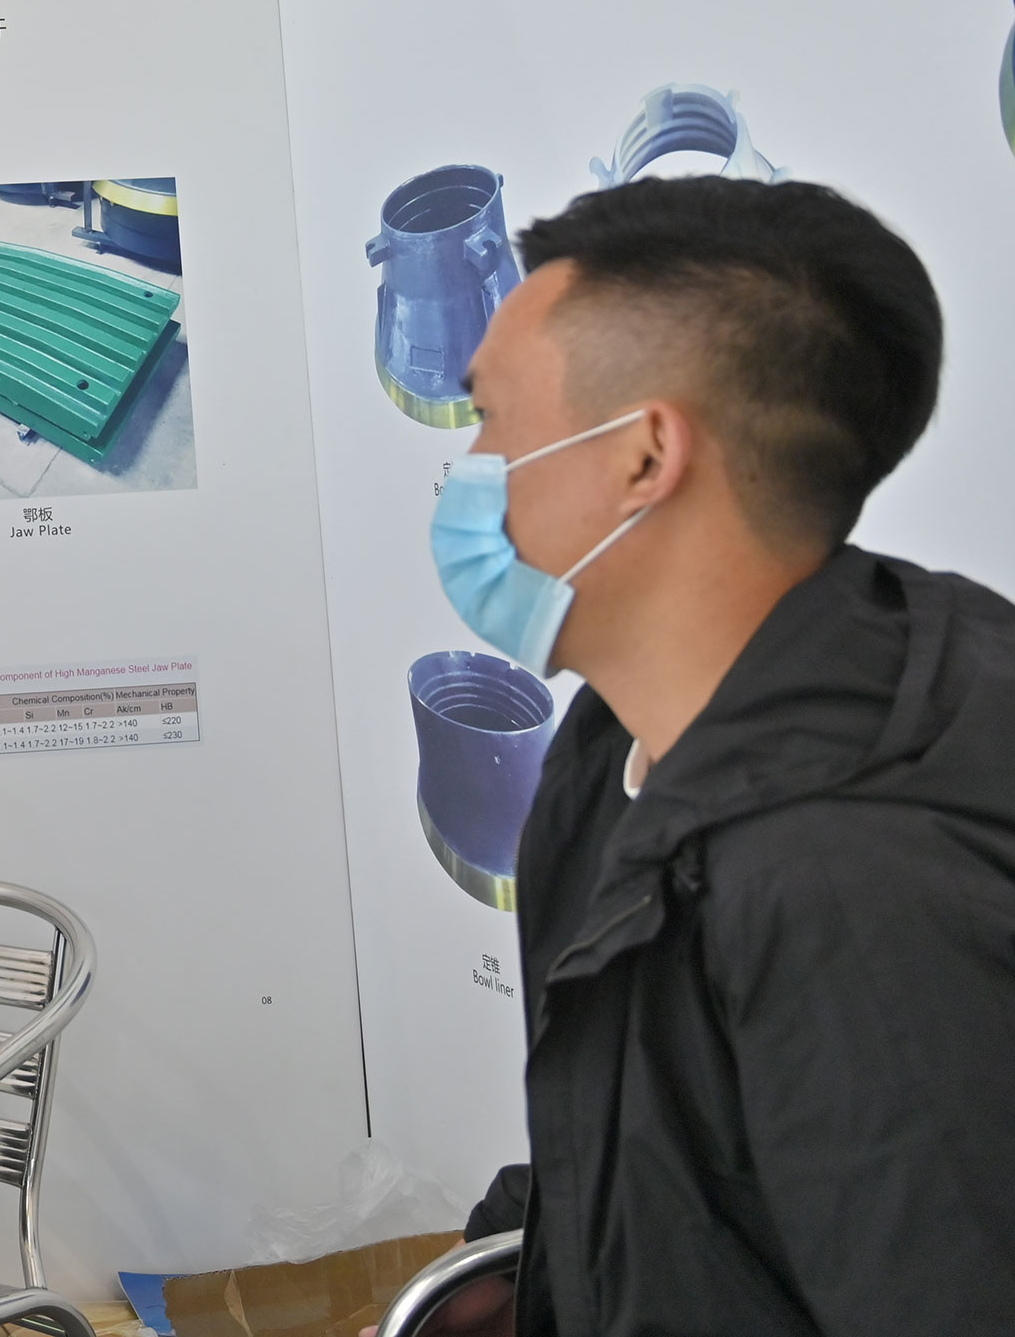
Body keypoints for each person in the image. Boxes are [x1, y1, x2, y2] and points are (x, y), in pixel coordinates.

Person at [419, 176, 1015, 1336]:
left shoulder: (850, 882)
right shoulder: (620, 746)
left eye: (492, 419)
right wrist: (530, 1276)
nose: (470, 466)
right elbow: (699, 1149)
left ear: (645, 455)